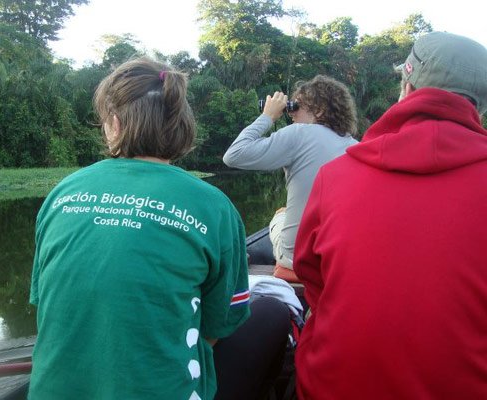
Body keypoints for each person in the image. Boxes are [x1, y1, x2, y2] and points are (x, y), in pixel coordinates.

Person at [28, 57, 252, 400]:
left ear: (114, 124)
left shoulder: (63, 193)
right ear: (181, 125)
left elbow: (49, 305)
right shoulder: (213, 206)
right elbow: (218, 325)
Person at [294, 31, 487, 399]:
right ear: (479, 107)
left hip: (334, 387)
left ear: (407, 86)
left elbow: (312, 280)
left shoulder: (335, 176)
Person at [223, 75, 358, 280]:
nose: (291, 113)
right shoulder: (356, 146)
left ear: (319, 111)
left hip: (297, 258)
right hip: (341, 256)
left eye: (296, 106)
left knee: (280, 215)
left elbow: (233, 155)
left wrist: (267, 117)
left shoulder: (298, 133)